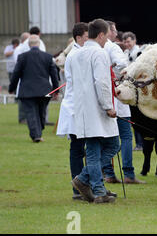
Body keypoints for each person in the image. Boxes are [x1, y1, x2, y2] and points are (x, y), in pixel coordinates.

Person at [70, 19, 120, 204]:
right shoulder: (99, 53)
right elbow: (102, 82)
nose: (107, 40)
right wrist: (108, 106)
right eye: (106, 36)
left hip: (83, 109)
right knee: (114, 145)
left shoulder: (76, 54)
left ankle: (96, 189)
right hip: (98, 109)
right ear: (100, 35)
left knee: (92, 150)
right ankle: (84, 179)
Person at [102, 21, 145, 184]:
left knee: (106, 137)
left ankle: (109, 173)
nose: (117, 33)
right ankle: (128, 174)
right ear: (109, 31)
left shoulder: (94, 47)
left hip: (103, 97)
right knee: (126, 136)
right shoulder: (111, 47)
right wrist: (118, 76)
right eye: (115, 30)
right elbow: (123, 65)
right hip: (116, 96)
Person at [56, 23, 89, 201]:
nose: (88, 39)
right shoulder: (77, 55)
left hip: (78, 106)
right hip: (77, 107)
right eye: (86, 36)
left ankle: (82, 186)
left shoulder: (78, 53)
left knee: (80, 148)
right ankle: (79, 187)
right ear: (78, 38)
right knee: (79, 149)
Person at [8, 35, 59, 143]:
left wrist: (11, 88)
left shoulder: (22, 57)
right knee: (42, 112)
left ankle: (36, 134)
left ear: (29, 45)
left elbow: (16, 73)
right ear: (39, 44)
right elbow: (54, 75)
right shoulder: (48, 57)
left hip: (27, 90)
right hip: (44, 90)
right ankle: (37, 134)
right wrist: (56, 90)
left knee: (31, 113)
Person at [122, 31, 143, 151]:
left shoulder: (139, 52)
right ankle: (139, 143)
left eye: (129, 41)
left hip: (138, 89)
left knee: (139, 116)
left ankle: (141, 143)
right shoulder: (126, 53)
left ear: (134, 41)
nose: (127, 44)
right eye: (125, 42)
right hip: (129, 88)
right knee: (133, 117)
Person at [11, 32, 30, 124]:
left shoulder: (24, 48)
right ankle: (22, 117)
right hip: (21, 75)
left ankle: (27, 117)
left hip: (27, 75)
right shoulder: (19, 49)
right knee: (21, 96)